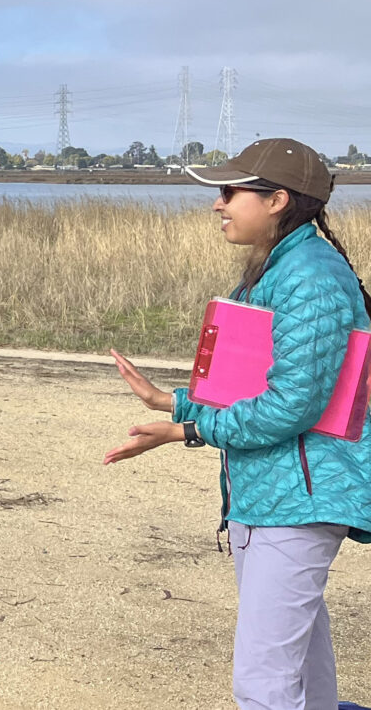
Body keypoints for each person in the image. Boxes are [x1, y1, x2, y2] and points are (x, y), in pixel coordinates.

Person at [107, 138, 371, 710]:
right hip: (273, 493)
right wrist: (173, 403)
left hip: (298, 498)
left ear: (278, 199)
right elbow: (250, 386)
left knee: (263, 683)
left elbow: (291, 405)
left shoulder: (310, 275)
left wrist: (191, 431)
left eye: (230, 192)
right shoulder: (282, 266)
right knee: (299, 665)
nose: (217, 204)